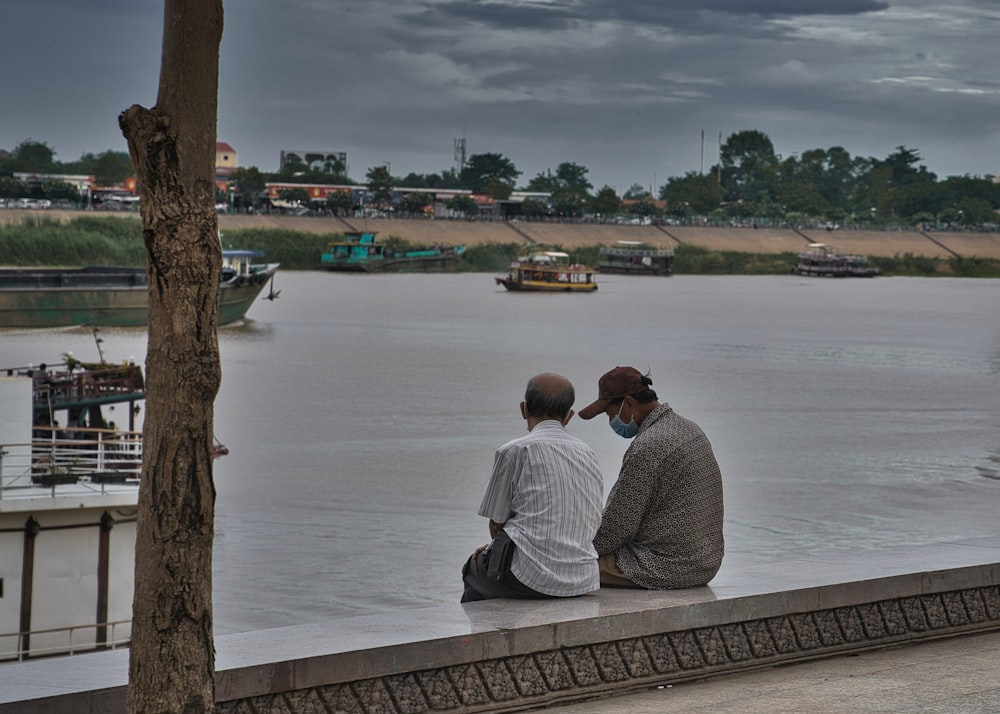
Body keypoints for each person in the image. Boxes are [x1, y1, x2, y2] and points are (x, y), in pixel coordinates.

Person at [461, 373, 605, 603]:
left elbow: (496, 523)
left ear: (524, 409)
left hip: (530, 577)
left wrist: (492, 554)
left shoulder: (514, 451)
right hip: (582, 577)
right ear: (568, 416)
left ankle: (481, 635)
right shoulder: (588, 454)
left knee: (473, 570)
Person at [578, 366, 724, 589]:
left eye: (610, 414)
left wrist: (575, 549)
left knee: (564, 566)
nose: (611, 421)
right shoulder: (688, 428)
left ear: (629, 404)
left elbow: (617, 527)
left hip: (664, 566)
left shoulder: (649, 446)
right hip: (705, 563)